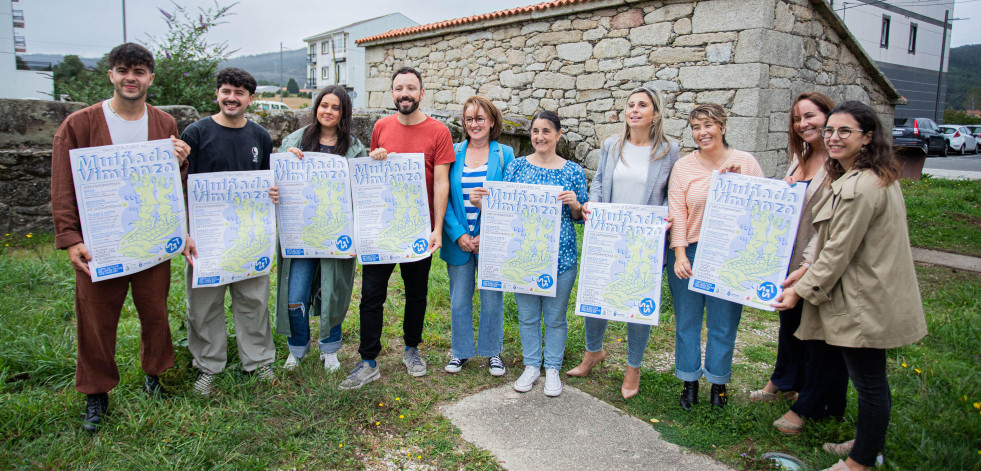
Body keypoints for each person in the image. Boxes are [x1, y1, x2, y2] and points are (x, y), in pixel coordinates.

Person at [772, 101, 927, 471]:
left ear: (868, 137)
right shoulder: (862, 177)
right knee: (870, 379)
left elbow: (838, 251)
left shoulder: (860, 186)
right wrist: (806, 266)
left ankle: (859, 462)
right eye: (830, 131)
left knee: (869, 382)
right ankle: (867, 443)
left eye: (845, 131)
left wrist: (799, 289)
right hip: (865, 293)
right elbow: (827, 239)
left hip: (864, 299)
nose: (834, 138)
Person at [50, 42, 190, 432]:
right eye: (124, 70)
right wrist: (70, 237)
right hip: (100, 241)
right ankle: (96, 394)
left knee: (155, 312)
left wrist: (181, 161)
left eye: (140, 71)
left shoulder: (163, 124)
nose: (132, 78)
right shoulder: (79, 124)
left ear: (150, 78)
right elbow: (62, 185)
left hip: (151, 237)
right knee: (96, 317)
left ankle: (154, 376)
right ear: (111, 74)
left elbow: (171, 186)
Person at [338, 66, 455, 390]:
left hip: (417, 230)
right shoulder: (381, 126)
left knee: (416, 294)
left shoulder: (439, 132)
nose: (405, 93)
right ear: (392, 93)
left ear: (421, 92)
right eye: (399, 88)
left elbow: (442, 183)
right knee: (372, 294)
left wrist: (436, 228)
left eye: (411, 88)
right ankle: (368, 361)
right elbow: (373, 172)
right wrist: (376, 156)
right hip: (381, 230)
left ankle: (412, 349)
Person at [566, 86, 680, 399]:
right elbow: (601, 182)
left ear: (654, 113)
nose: (634, 110)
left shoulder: (669, 150)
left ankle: (633, 366)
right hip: (609, 234)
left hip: (645, 241)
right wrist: (593, 205)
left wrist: (668, 214)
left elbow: (672, 192)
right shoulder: (612, 146)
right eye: (630, 105)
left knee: (637, 302)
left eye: (642, 105)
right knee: (597, 294)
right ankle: (593, 352)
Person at [471, 110, 588, 397]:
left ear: (558, 135)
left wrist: (575, 204)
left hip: (561, 258)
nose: (540, 137)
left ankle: (553, 369)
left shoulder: (572, 171)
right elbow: (505, 211)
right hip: (523, 256)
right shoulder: (518, 168)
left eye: (546, 131)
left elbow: (581, 217)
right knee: (527, 316)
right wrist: (479, 203)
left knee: (556, 318)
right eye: (535, 131)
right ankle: (532, 365)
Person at [753, 92, 849, 435]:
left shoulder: (839, 164)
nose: (803, 124)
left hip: (818, 258)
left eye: (810, 116)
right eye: (797, 118)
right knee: (789, 324)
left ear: (830, 115)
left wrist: (808, 265)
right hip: (786, 255)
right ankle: (783, 380)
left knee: (816, 333)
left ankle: (811, 401)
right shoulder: (800, 156)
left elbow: (833, 222)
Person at [181, 67, 276, 396]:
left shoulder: (260, 137)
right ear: (217, 95)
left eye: (239, 93)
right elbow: (179, 186)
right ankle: (208, 365)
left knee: (253, 300)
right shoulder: (195, 133)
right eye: (226, 91)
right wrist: (185, 232)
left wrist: (273, 193)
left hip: (249, 235)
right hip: (205, 238)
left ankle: (259, 360)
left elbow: (266, 181)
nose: (231, 98)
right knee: (204, 304)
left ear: (251, 99)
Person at [667, 103, 764, 409]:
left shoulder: (745, 162)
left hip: (728, 252)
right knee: (688, 321)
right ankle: (689, 381)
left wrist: (736, 183)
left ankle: (719, 384)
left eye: (708, 125)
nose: (702, 132)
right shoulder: (683, 166)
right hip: (691, 250)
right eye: (696, 127)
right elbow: (677, 211)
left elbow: (760, 208)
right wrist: (680, 254)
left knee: (723, 322)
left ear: (723, 126)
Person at [273, 85, 367, 372]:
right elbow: (276, 183)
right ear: (316, 108)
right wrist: (284, 164)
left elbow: (363, 189)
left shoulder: (354, 147)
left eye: (335, 107)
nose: (328, 111)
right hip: (301, 232)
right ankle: (297, 348)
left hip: (336, 233)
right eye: (324, 105)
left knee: (332, 293)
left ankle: (330, 349)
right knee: (294, 294)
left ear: (343, 113)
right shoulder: (295, 140)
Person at [440, 96, 514, 376]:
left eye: (480, 118)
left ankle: (492, 351)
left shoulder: (504, 155)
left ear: (492, 121)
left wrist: (489, 232)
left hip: (491, 241)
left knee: (492, 298)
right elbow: (443, 196)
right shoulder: (454, 151)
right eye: (469, 119)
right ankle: (460, 352)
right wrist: (458, 234)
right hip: (459, 239)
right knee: (459, 299)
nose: (474, 124)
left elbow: (510, 199)